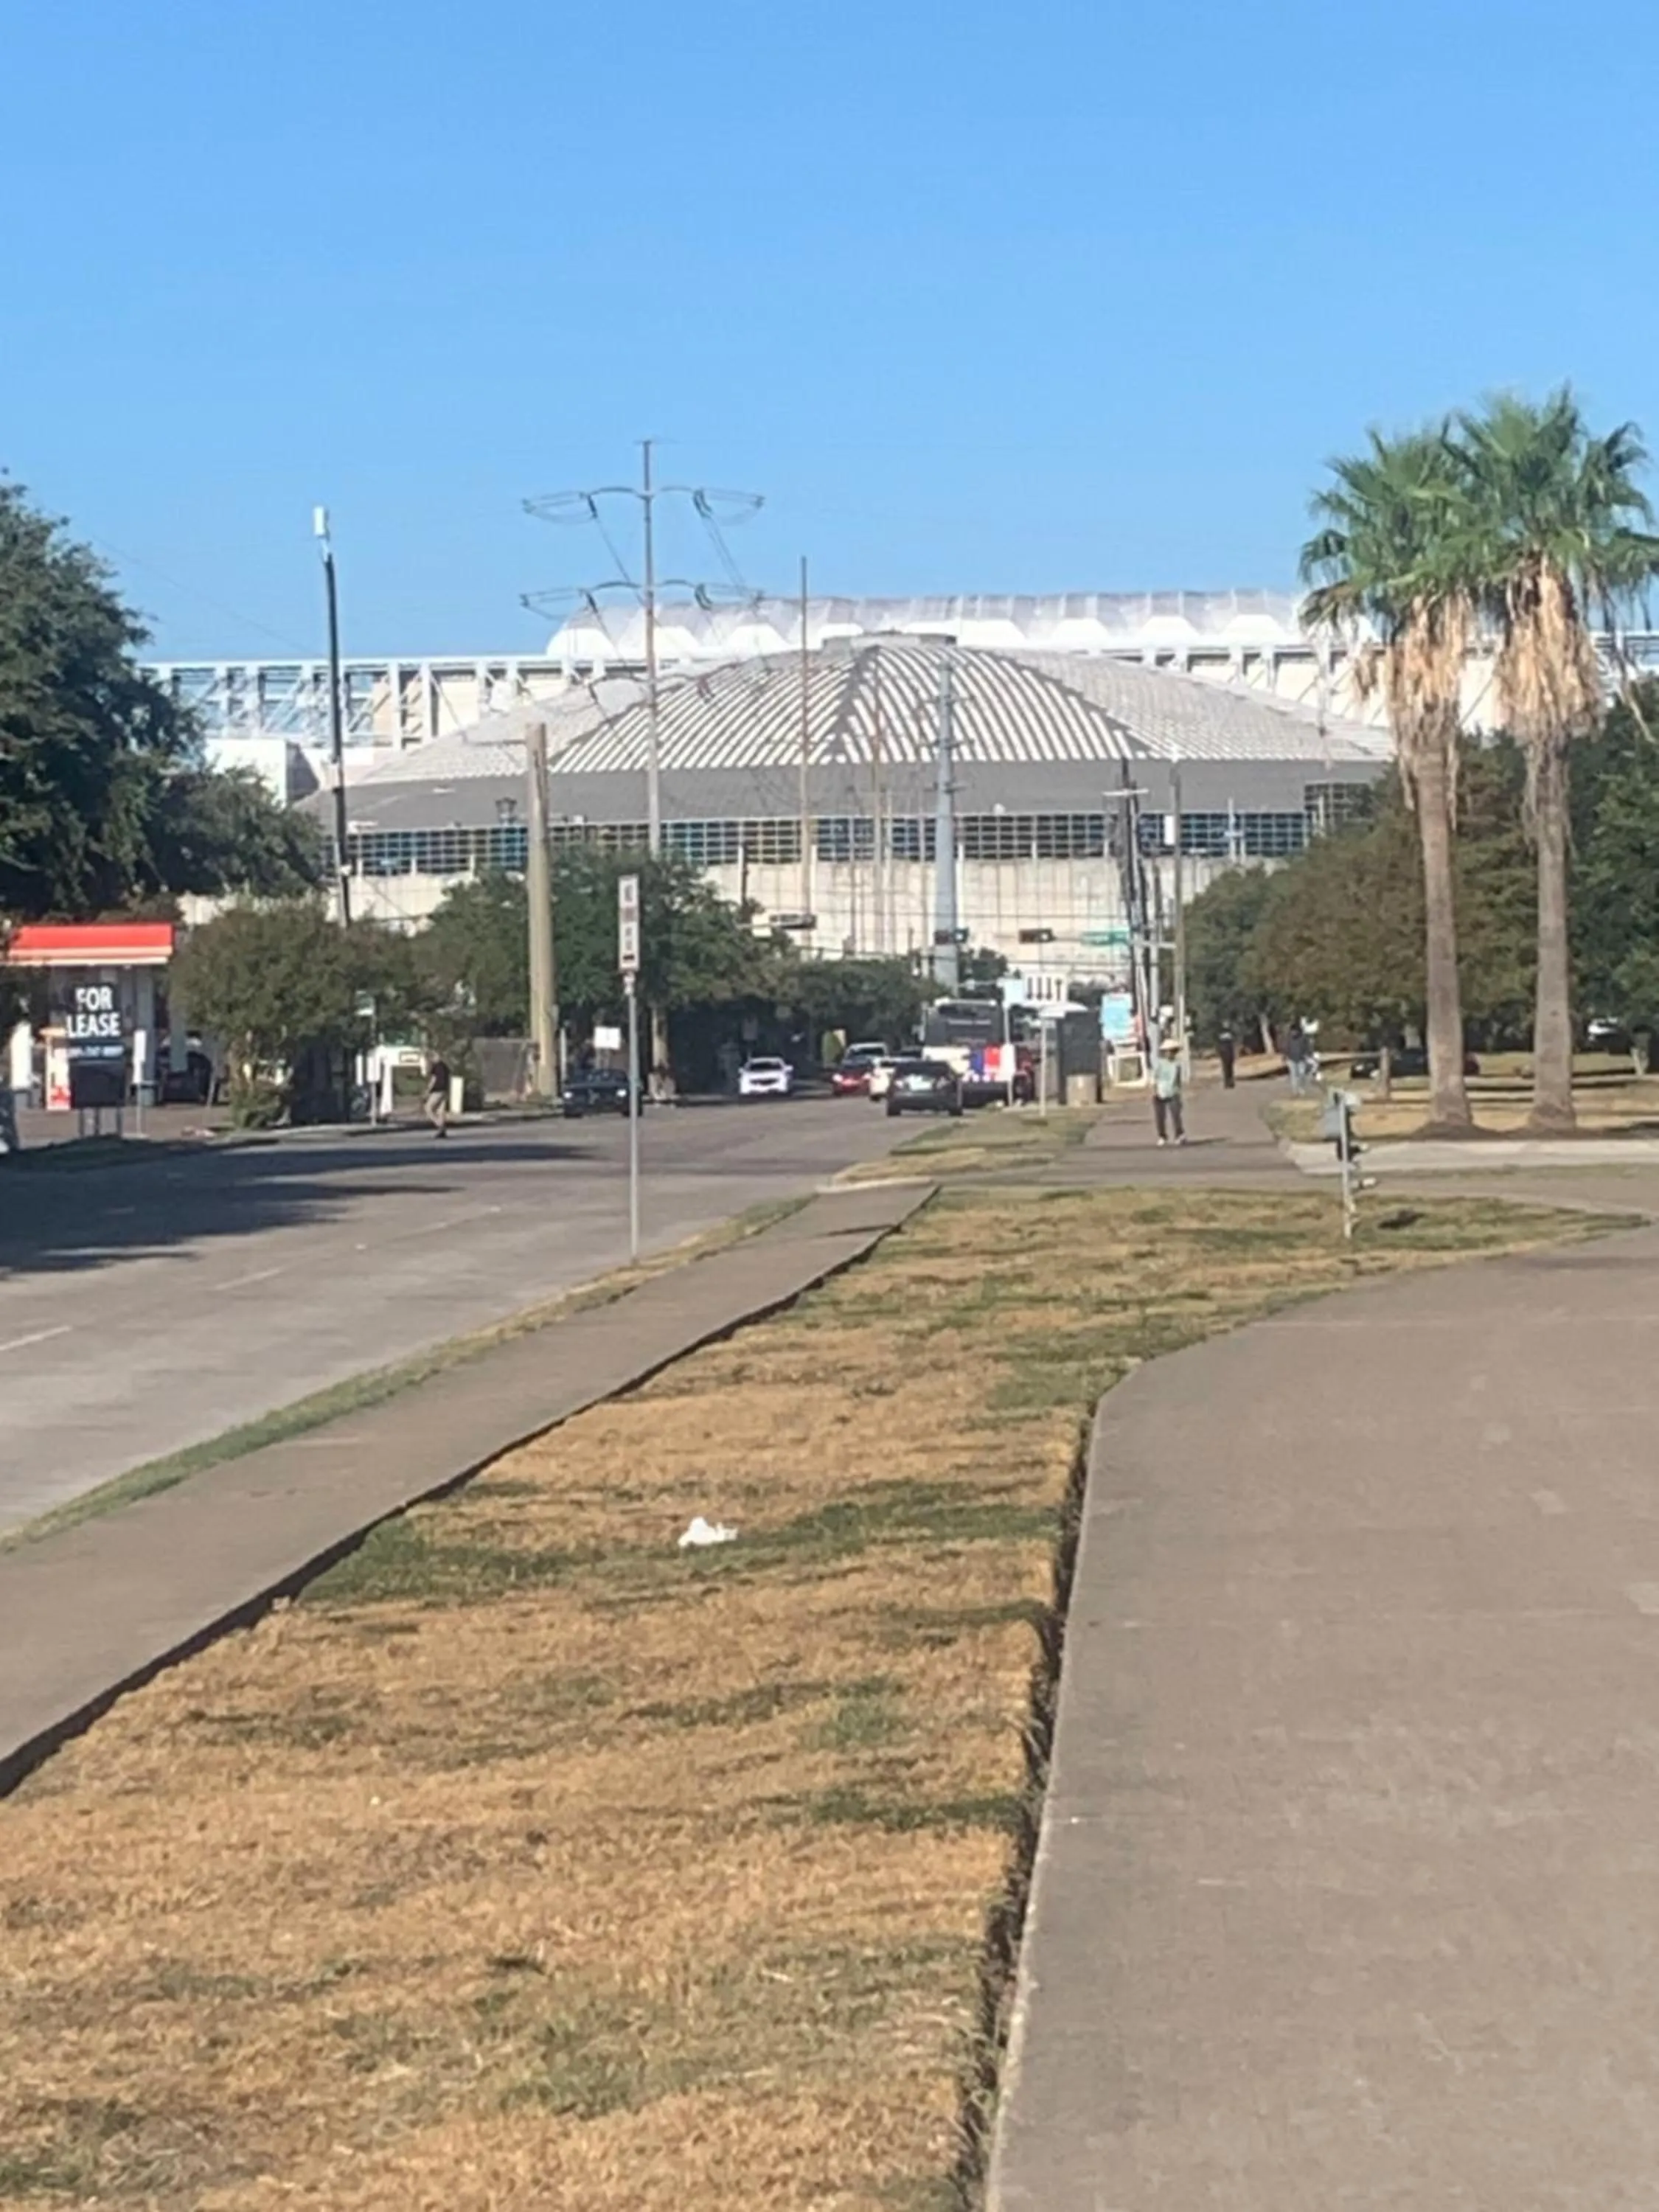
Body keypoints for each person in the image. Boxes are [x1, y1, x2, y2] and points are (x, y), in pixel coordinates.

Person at [1152, 1039, 1186, 1145]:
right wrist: (1155, 1091)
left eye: (1172, 1051)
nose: (1170, 1053)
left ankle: (1179, 1135)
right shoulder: (1159, 1063)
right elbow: (1155, 1078)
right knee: (1160, 1117)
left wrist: (1179, 1093)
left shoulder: (1177, 1065)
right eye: (1168, 1051)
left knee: (1176, 1115)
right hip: (1160, 1092)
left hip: (1173, 1092)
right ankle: (1162, 1136)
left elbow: (1178, 1080)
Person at [424, 1054, 451, 1138]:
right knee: (441, 1111)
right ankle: (442, 1132)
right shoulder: (445, 1067)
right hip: (445, 1091)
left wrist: (428, 1091)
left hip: (437, 1090)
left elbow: (434, 1079)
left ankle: (439, 1125)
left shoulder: (436, 1067)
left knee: (428, 1108)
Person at [1217, 1026, 1237, 1091]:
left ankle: (1227, 1083)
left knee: (1226, 1069)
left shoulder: (1222, 1042)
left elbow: (1220, 1050)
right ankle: (1230, 1083)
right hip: (1228, 1056)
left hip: (1225, 1056)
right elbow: (1232, 1049)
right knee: (1230, 1069)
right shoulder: (1228, 1041)